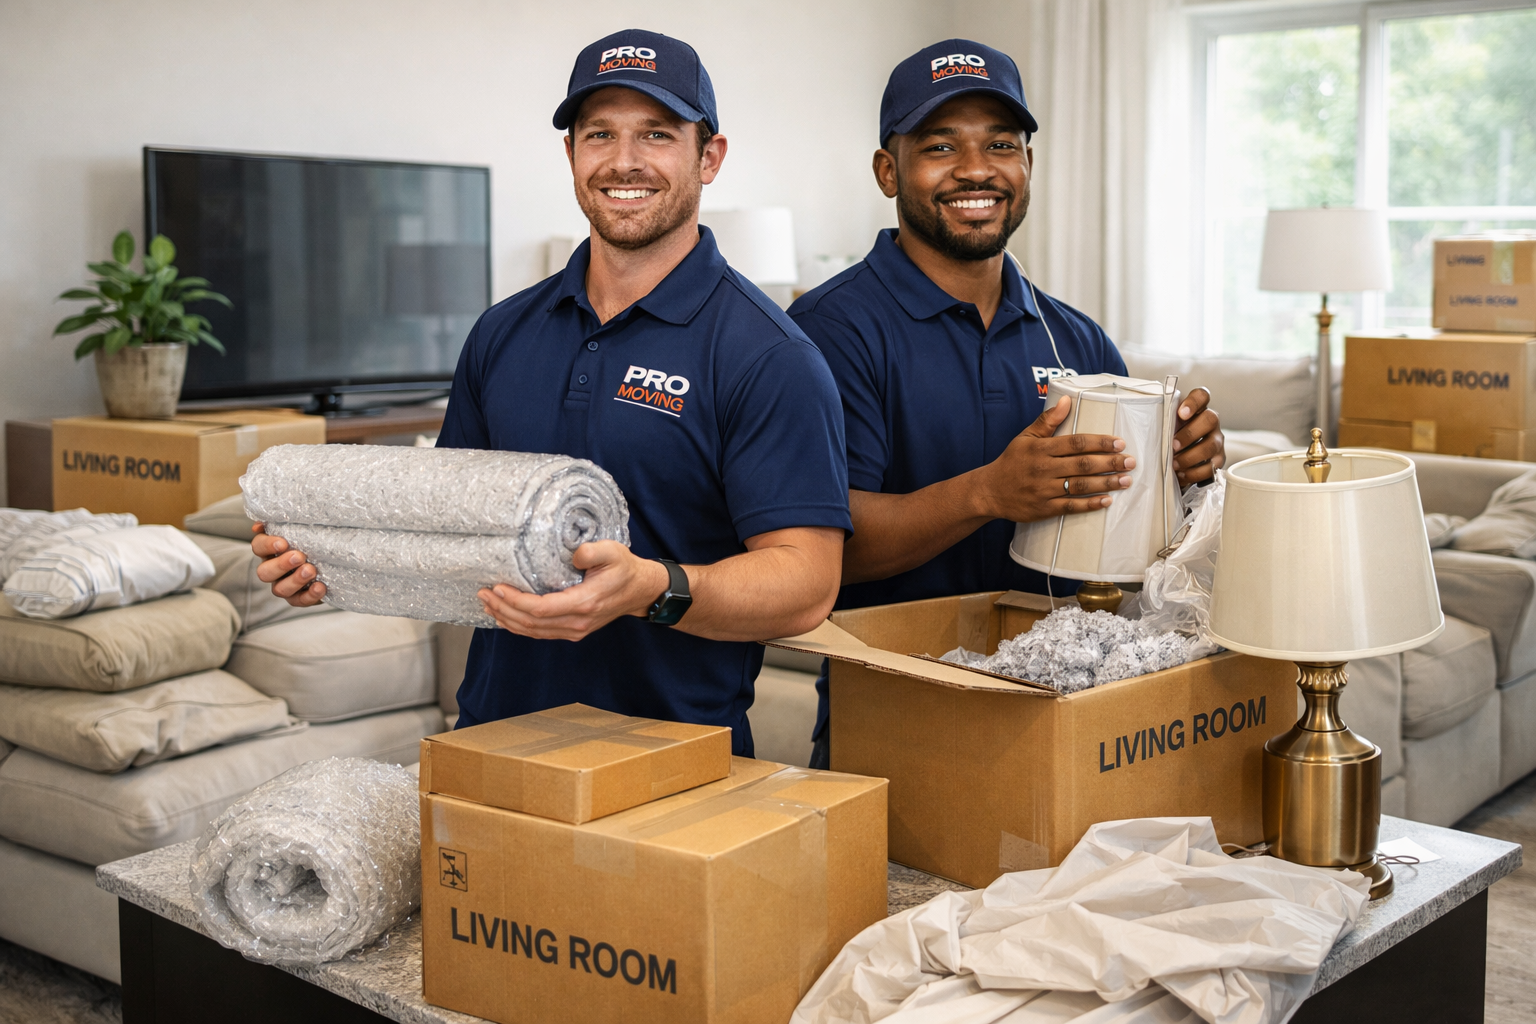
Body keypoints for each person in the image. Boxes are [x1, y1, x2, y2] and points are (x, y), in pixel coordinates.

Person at [252, 29, 852, 756]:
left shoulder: (769, 356)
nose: (624, 161)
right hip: (491, 746)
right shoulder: (502, 333)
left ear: (709, 156)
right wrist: (332, 565)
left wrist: (650, 589)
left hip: (674, 765)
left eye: (656, 134)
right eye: (599, 133)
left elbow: (807, 582)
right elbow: (443, 528)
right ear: (572, 154)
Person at [788, 39, 1225, 769]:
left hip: (1067, 713)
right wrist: (989, 492)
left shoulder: (1077, 337)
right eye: (939, 146)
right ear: (886, 169)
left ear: (1027, 166)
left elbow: (1134, 549)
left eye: (1001, 144)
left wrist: (1183, 476)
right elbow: (821, 557)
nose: (976, 169)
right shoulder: (828, 333)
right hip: (898, 719)